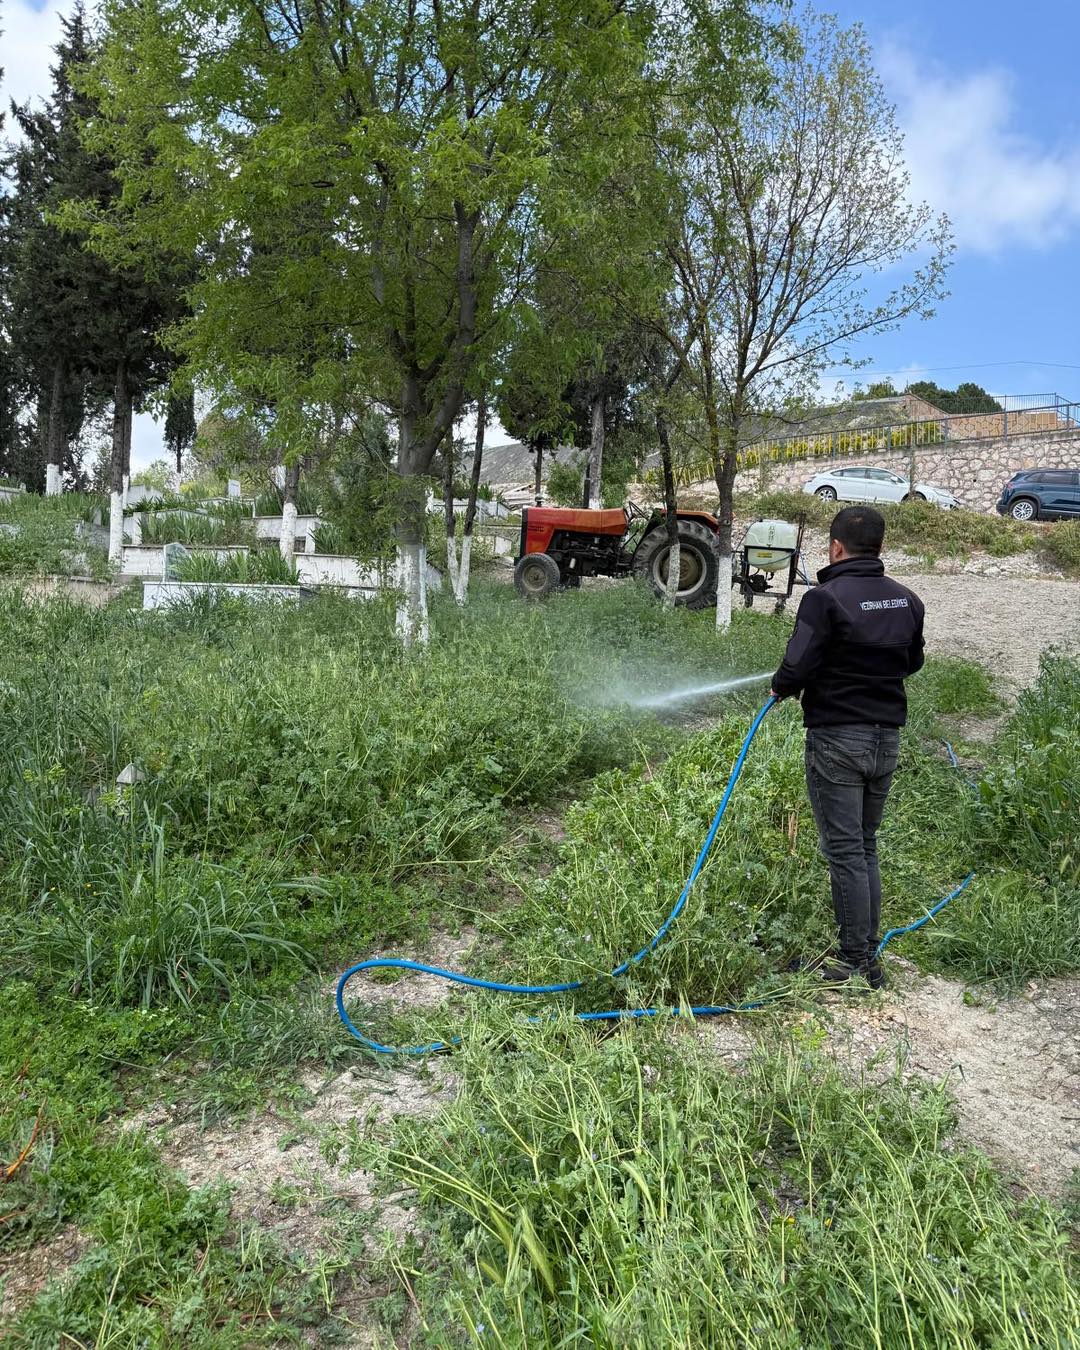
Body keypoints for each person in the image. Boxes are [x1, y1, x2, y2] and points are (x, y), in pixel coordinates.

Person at [770, 505, 925, 988]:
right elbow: (912, 662)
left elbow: (797, 667)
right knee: (864, 845)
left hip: (838, 740)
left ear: (836, 547)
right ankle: (866, 951)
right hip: (886, 741)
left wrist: (781, 686)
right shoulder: (907, 600)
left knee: (844, 850)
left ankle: (857, 962)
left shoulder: (825, 598)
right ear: (879, 546)